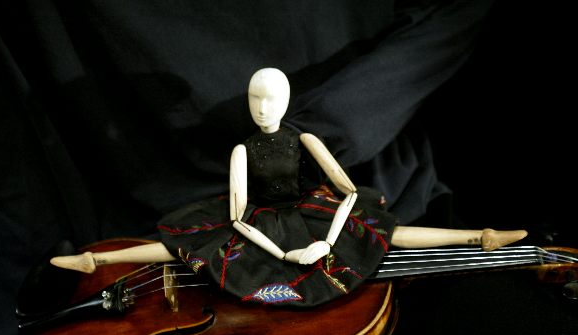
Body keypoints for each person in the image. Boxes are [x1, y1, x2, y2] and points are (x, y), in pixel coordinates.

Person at [51, 67, 526, 306]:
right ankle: (97, 260)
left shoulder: (306, 140)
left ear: (287, 100)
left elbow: (349, 192)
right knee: (184, 244)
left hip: (311, 213)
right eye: (255, 99)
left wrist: (327, 241)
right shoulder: (242, 151)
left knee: (386, 231)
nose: (262, 108)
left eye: (271, 99)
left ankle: (479, 236)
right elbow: (237, 217)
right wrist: (284, 253)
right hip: (262, 224)